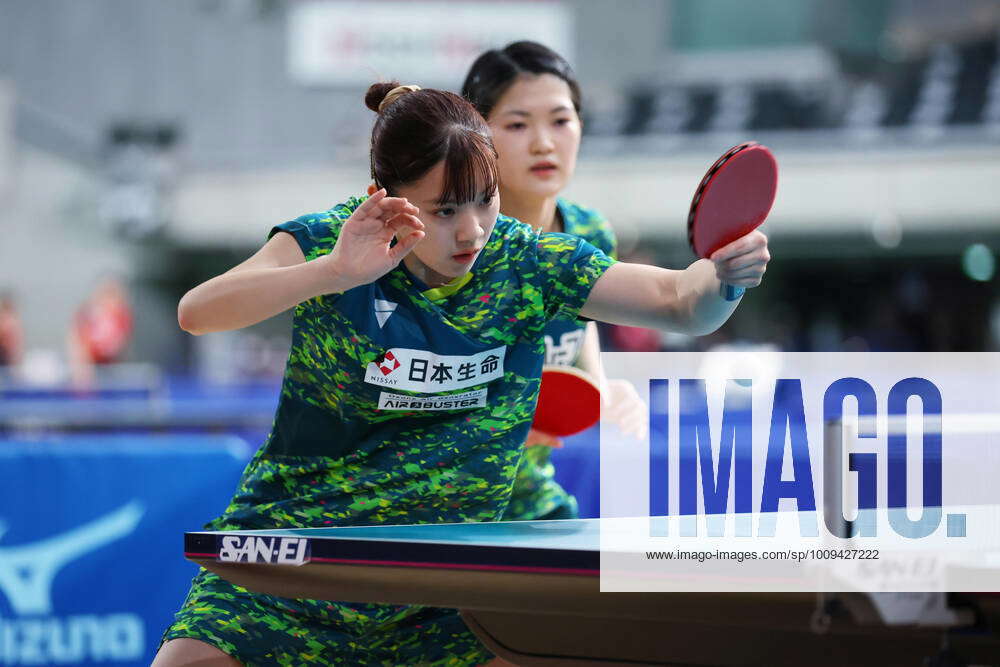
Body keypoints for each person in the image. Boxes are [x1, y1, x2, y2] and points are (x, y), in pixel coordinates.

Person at [154, 81, 769, 666]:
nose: (472, 229)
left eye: (485, 199)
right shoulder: (329, 240)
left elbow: (680, 303)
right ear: (383, 195)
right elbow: (197, 313)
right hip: (292, 563)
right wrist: (335, 273)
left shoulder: (527, 262)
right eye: (444, 210)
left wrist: (724, 278)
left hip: (444, 588)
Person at [462, 41, 649, 521]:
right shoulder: (454, 242)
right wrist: (498, 422)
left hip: (530, 496)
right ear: (475, 138)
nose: (544, 142)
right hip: (443, 501)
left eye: (561, 120)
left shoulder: (589, 233)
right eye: (518, 124)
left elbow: (580, 320)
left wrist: (600, 387)